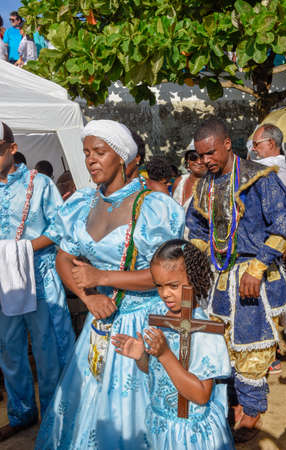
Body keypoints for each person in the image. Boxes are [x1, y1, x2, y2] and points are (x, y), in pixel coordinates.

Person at [35, 120, 185, 449]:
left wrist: (101, 278)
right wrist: (87, 297)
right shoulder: (81, 204)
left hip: (143, 323)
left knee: (136, 413)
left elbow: (168, 276)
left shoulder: (153, 206)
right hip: (99, 322)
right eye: (87, 152)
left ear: (123, 158)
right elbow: (63, 256)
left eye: (100, 152)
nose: (90, 160)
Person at [186, 117, 286, 443]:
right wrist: (194, 269)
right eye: (200, 155)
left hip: (255, 278)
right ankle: (234, 404)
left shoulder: (259, 178)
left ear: (226, 144)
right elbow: (197, 231)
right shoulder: (205, 186)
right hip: (219, 278)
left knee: (252, 348)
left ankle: (251, 411)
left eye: (210, 153)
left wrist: (259, 266)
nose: (205, 160)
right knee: (223, 346)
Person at [112, 239, 234, 450]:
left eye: (173, 286)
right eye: (159, 285)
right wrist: (141, 356)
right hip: (161, 423)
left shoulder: (204, 330)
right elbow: (154, 371)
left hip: (188, 433)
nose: (165, 293)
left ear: (194, 280)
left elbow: (201, 395)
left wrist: (165, 354)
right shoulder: (159, 317)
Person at [0, 122, 75, 441]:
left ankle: (54, 416)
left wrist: (21, 249)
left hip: (40, 276)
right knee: (9, 349)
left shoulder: (40, 183)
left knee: (48, 349)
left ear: (11, 149)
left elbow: (60, 229)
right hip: (4, 282)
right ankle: (21, 413)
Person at [173, 149, 207, 238]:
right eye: (194, 157)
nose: (199, 161)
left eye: (202, 158)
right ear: (188, 160)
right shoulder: (179, 181)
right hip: (175, 241)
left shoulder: (210, 186)